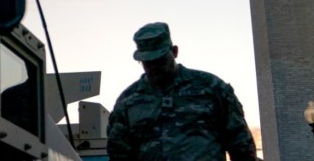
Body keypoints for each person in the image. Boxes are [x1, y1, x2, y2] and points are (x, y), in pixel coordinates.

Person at [106, 22, 257, 160]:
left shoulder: (210, 87)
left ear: (174, 52)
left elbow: (241, 144)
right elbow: (118, 153)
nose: (154, 67)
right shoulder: (128, 100)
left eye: (160, 61)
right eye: (147, 62)